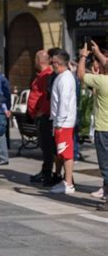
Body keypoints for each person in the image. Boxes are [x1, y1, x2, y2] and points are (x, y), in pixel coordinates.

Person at [78, 41, 108, 210]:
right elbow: (106, 63)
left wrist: (84, 55)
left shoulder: (102, 81)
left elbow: (81, 74)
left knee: (105, 165)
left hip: (104, 128)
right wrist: (97, 53)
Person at [49, 49, 77, 194]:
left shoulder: (65, 78)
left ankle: (68, 183)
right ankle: (65, 180)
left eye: (52, 62)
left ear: (58, 63)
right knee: (62, 152)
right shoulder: (62, 77)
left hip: (64, 122)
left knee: (66, 153)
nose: (51, 65)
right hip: (61, 122)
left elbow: (64, 103)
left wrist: (59, 122)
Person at [27, 50, 55, 186]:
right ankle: (45, 171)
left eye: (35, 59)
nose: (34, 62)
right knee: (44, 146)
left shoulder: (47, 75)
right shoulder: (42, 75)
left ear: (39, 61)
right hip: (39, 116)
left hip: (43, 117)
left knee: (47, 146)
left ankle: (47, 173)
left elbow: (47, 96)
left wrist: (41, 112)